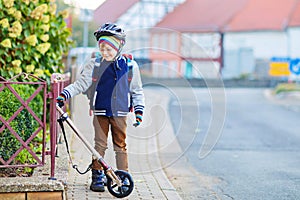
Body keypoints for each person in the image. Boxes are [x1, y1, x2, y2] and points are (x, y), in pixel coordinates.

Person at [56, 22, 145, 192]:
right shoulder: (95, 64)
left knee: (120, 145)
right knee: (99, 145)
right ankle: (97, 175)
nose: (105, 53)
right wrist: (65, 93)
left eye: (109, 49)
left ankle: (122, 175)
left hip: (120, 112)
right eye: (102, 49)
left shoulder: (130, 66)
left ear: (119, 47)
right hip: (100, 111)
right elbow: (80, 84)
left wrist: (139, 110)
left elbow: (137, 90)